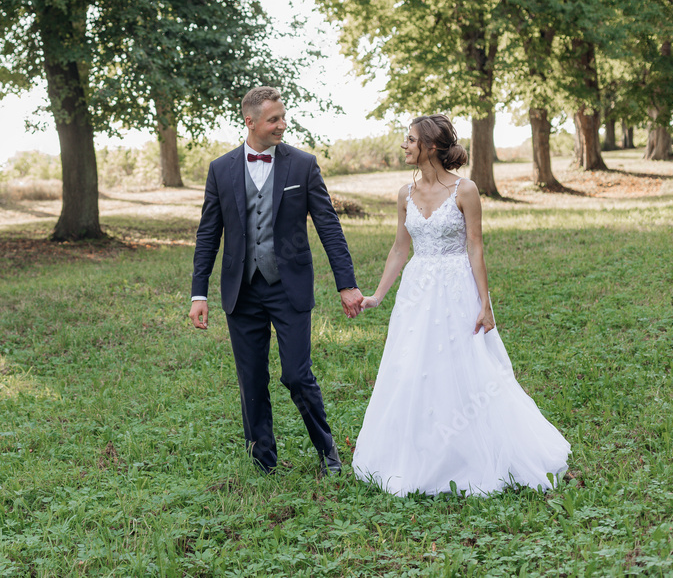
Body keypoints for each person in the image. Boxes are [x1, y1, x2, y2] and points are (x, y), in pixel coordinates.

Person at [352, 114, 570, 496]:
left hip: (456, 290)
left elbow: (475, 246)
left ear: (430, 147)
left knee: (466, 367)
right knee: (413, 367)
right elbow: (400, 248)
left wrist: (486, 304)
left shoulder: (465, 190)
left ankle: (471, 454)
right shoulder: (405, 193)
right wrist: (378, 295)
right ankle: (417, 453)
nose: (404, 145)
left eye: (410, 139)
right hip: (417, 292)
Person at [189, 86, 364, 476]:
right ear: (249, 121)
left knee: (296, 375)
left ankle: (328, 453)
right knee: (250, 379)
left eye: (283, 117)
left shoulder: (302, 165)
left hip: (289, 287)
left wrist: (346, 283)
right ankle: (263, 461)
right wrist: (198, 292)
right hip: (242, 290)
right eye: (274, 119)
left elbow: (328, 226)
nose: (282, 125)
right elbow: (208, 234)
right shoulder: (221, 169)